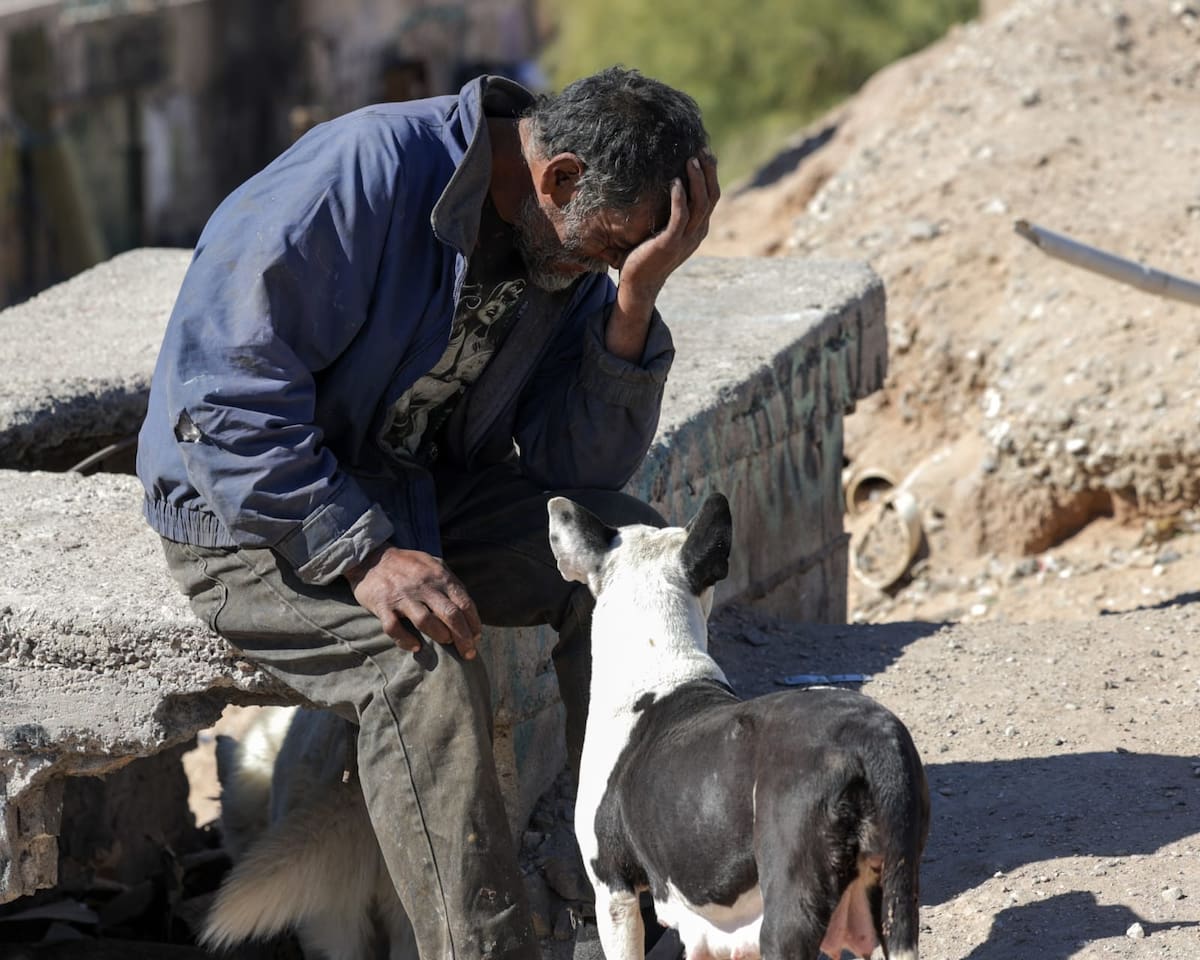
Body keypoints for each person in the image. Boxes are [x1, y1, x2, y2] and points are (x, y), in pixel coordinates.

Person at [136, 65, 718, 959]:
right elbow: (221, 404)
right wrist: (363, 555)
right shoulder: (362, 175)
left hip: (414, 495)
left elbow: (580, 465)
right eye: (610, 250)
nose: (606, 269)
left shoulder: (555, 238)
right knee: (421, 668)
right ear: (558, 177)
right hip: (252, 515)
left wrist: (634, 302)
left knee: (624, 561)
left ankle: (637, 876)